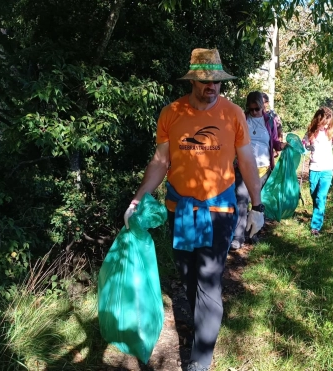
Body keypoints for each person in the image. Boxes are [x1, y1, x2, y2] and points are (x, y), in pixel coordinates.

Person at [123, 48, 265, 371]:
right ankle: (200, 324)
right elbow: (161, 162)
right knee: (188, 277)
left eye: (216, 80)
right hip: (180, 210)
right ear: (192, 80)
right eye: (203, 80)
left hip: (220, 213)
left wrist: (257, 205)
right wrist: (138, 199)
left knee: (210, 282)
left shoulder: (233, 114)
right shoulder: (171, 113)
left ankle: (200, 360)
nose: (210, 86)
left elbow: (246, 162)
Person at [230, 91, 286, 250]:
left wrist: (283, 146)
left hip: (263, 168)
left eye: (257, 109)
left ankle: (254, 234)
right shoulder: (242, 119)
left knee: (258, 203)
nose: (254, 112)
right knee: (241, 201)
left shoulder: (269, 121)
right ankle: (238, 236)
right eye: (251, 109)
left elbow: (274, 142)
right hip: (243, 167)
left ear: (263, 107)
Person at [302, 106, 333, 236]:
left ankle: (315, 227)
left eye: (328, 123)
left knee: (320, 197)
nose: (325, 126)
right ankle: (317, 213)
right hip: (314, 169)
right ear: (318, 121)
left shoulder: (332, 133)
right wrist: (306, 147)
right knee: (314, 194)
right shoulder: (310, 133)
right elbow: (303, 147)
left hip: (327, 169)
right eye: (323, 123)